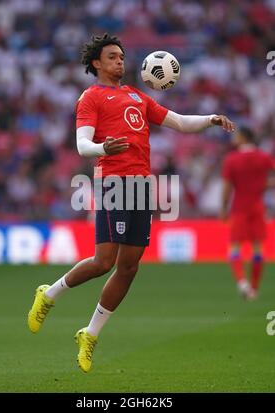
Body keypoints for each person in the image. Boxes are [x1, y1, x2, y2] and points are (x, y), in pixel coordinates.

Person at [28, 33, 234, 373]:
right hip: (113, 183)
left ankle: (90, 334)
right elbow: (82, 145)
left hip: (141, 186)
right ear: (97, 63)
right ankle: (49, 295)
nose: (120, 61)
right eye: (112, 57)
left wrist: (210, 118)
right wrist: (102, 149)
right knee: (103, 262)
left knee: (129, 267)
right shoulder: (90, 97)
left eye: (122, 56)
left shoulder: (138, 96)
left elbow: (180, 122)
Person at [220, 126, 275, 300]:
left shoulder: (232, 159)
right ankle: (254, 288)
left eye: (236, 136)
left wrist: (223, 207)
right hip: (258, 207)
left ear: (244, 138)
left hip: (239, 207)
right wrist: (264, 185)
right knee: (258, 249)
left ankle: (242, 282)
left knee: (234, 247)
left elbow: (227, 188)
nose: (233, 138)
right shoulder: (263, 157)